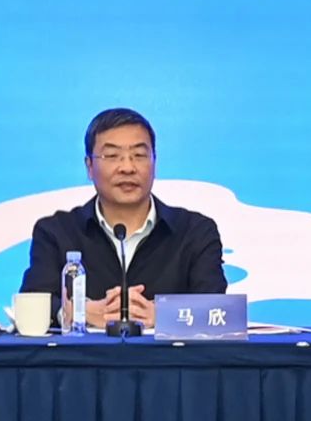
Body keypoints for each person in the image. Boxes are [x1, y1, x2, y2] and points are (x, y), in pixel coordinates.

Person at [22, 107, 227, 329]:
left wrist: (166, 315)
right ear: (89, 166)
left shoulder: (195, 232)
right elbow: (33, 303)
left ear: (154, 162)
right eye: (111, 156)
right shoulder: (56, 232)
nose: (127, 168)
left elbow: (218, 310)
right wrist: (76, 312)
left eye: (139, 155)